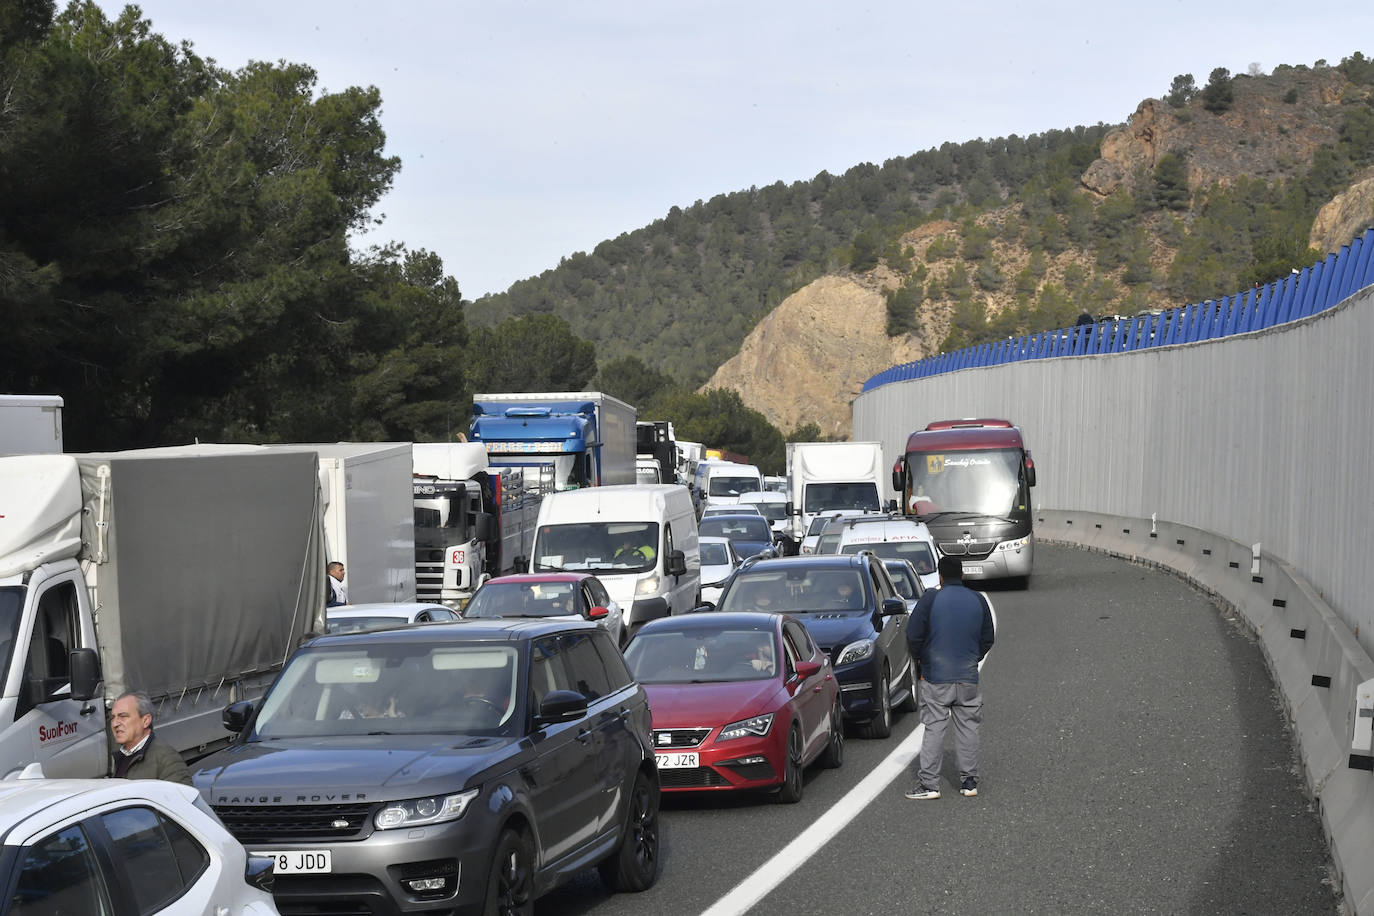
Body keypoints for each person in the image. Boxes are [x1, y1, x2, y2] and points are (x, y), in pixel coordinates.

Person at [904, 556, 994, 800]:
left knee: (934, 727)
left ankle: (930, 785)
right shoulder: (978, 599)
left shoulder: (931, 599)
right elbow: (988, 638)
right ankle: (969, 781)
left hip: (936, 675)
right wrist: (973, 658)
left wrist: (921, 661)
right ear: (962, 575)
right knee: (968, 727)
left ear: (940, 576)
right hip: (967, 675)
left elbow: (913, 635)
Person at [110, 691, 193, 785]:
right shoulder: (114, 760)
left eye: (123, 716)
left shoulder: (166, 758)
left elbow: (181, 797)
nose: (115, 723)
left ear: (145, 721)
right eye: (113, 717)